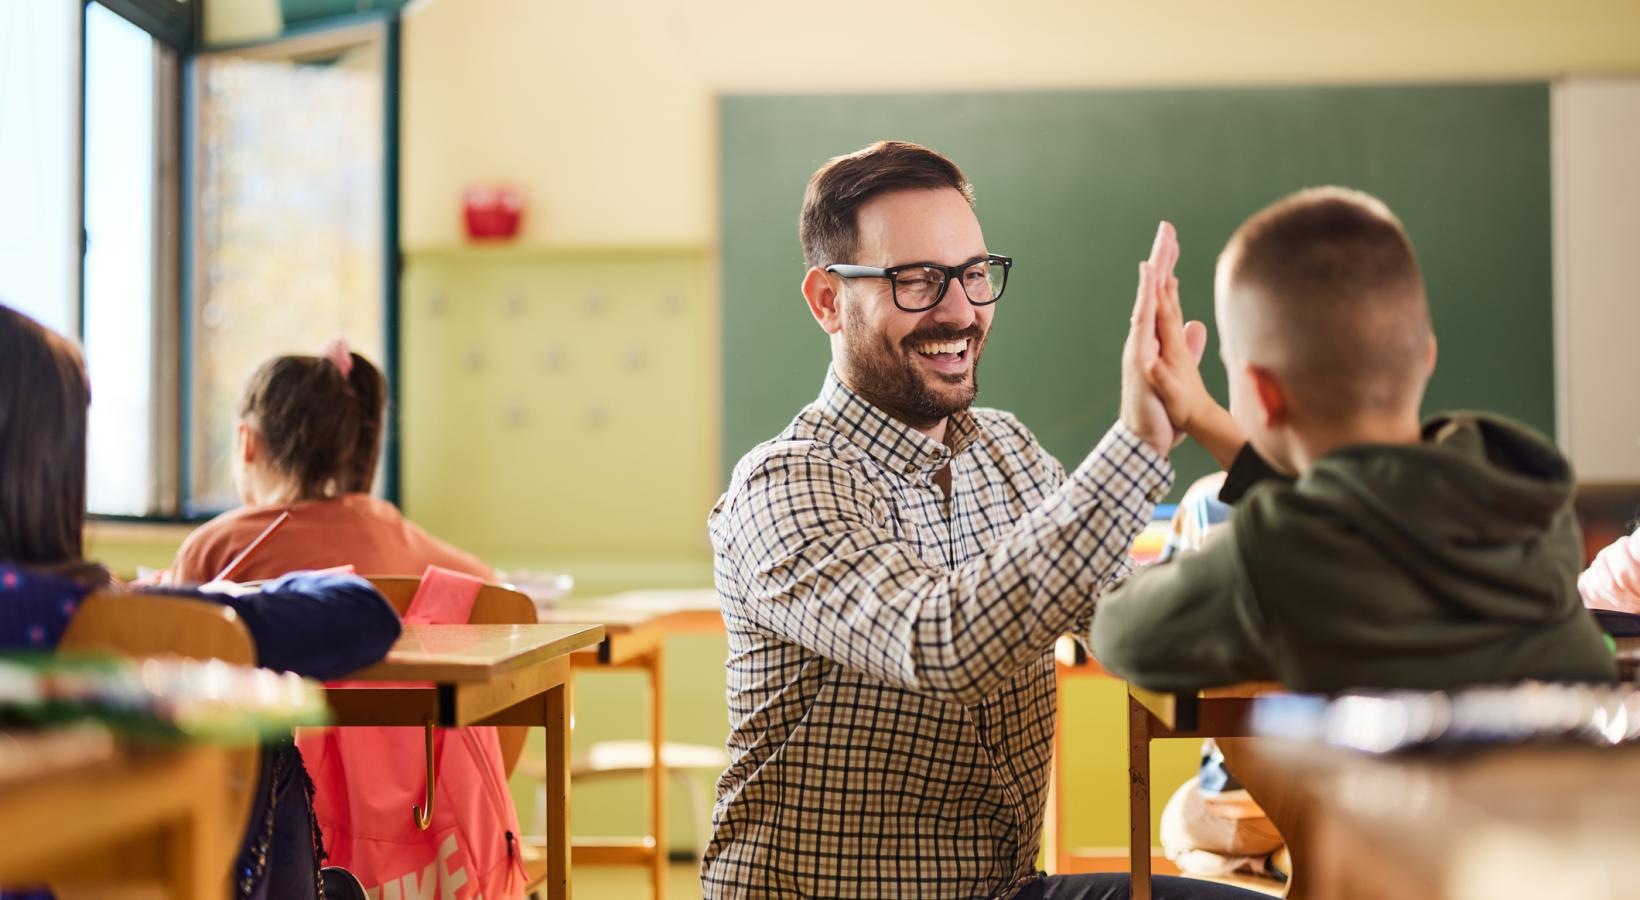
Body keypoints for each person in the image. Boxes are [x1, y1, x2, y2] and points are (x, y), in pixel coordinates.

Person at [705, 140, 1259, 899]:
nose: (961, 311)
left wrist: (1287, 525)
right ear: (828, 299)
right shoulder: (783, 485)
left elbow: (1127, 617)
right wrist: (1136, 444)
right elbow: (942, 644)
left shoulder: (1008, 452)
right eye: (915, 281)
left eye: (973, 274)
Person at [1090, 186, 1615, 693]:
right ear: (1426, 356)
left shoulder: (1276, 561)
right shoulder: (1536, 513)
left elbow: (1118, 631)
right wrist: (1204, 416)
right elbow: (1369, 507)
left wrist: (1144, 439)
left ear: (1262, 392)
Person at [0, 303, 402, 900]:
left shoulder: (202, 548)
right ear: (54, 468)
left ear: (250, 443)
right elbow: (364, 615)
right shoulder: (88, 615)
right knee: (262, 732)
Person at [168, 345, 522, 898]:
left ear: (247, 442)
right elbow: (507, 613)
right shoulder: (418, 547)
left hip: (260, 844)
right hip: (426, 839)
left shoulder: (215, 550)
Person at [168, 343, 489, 583]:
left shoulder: (213, 549)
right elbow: (491, 589)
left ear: (247, 441)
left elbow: (176, 639)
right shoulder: (397, 538)